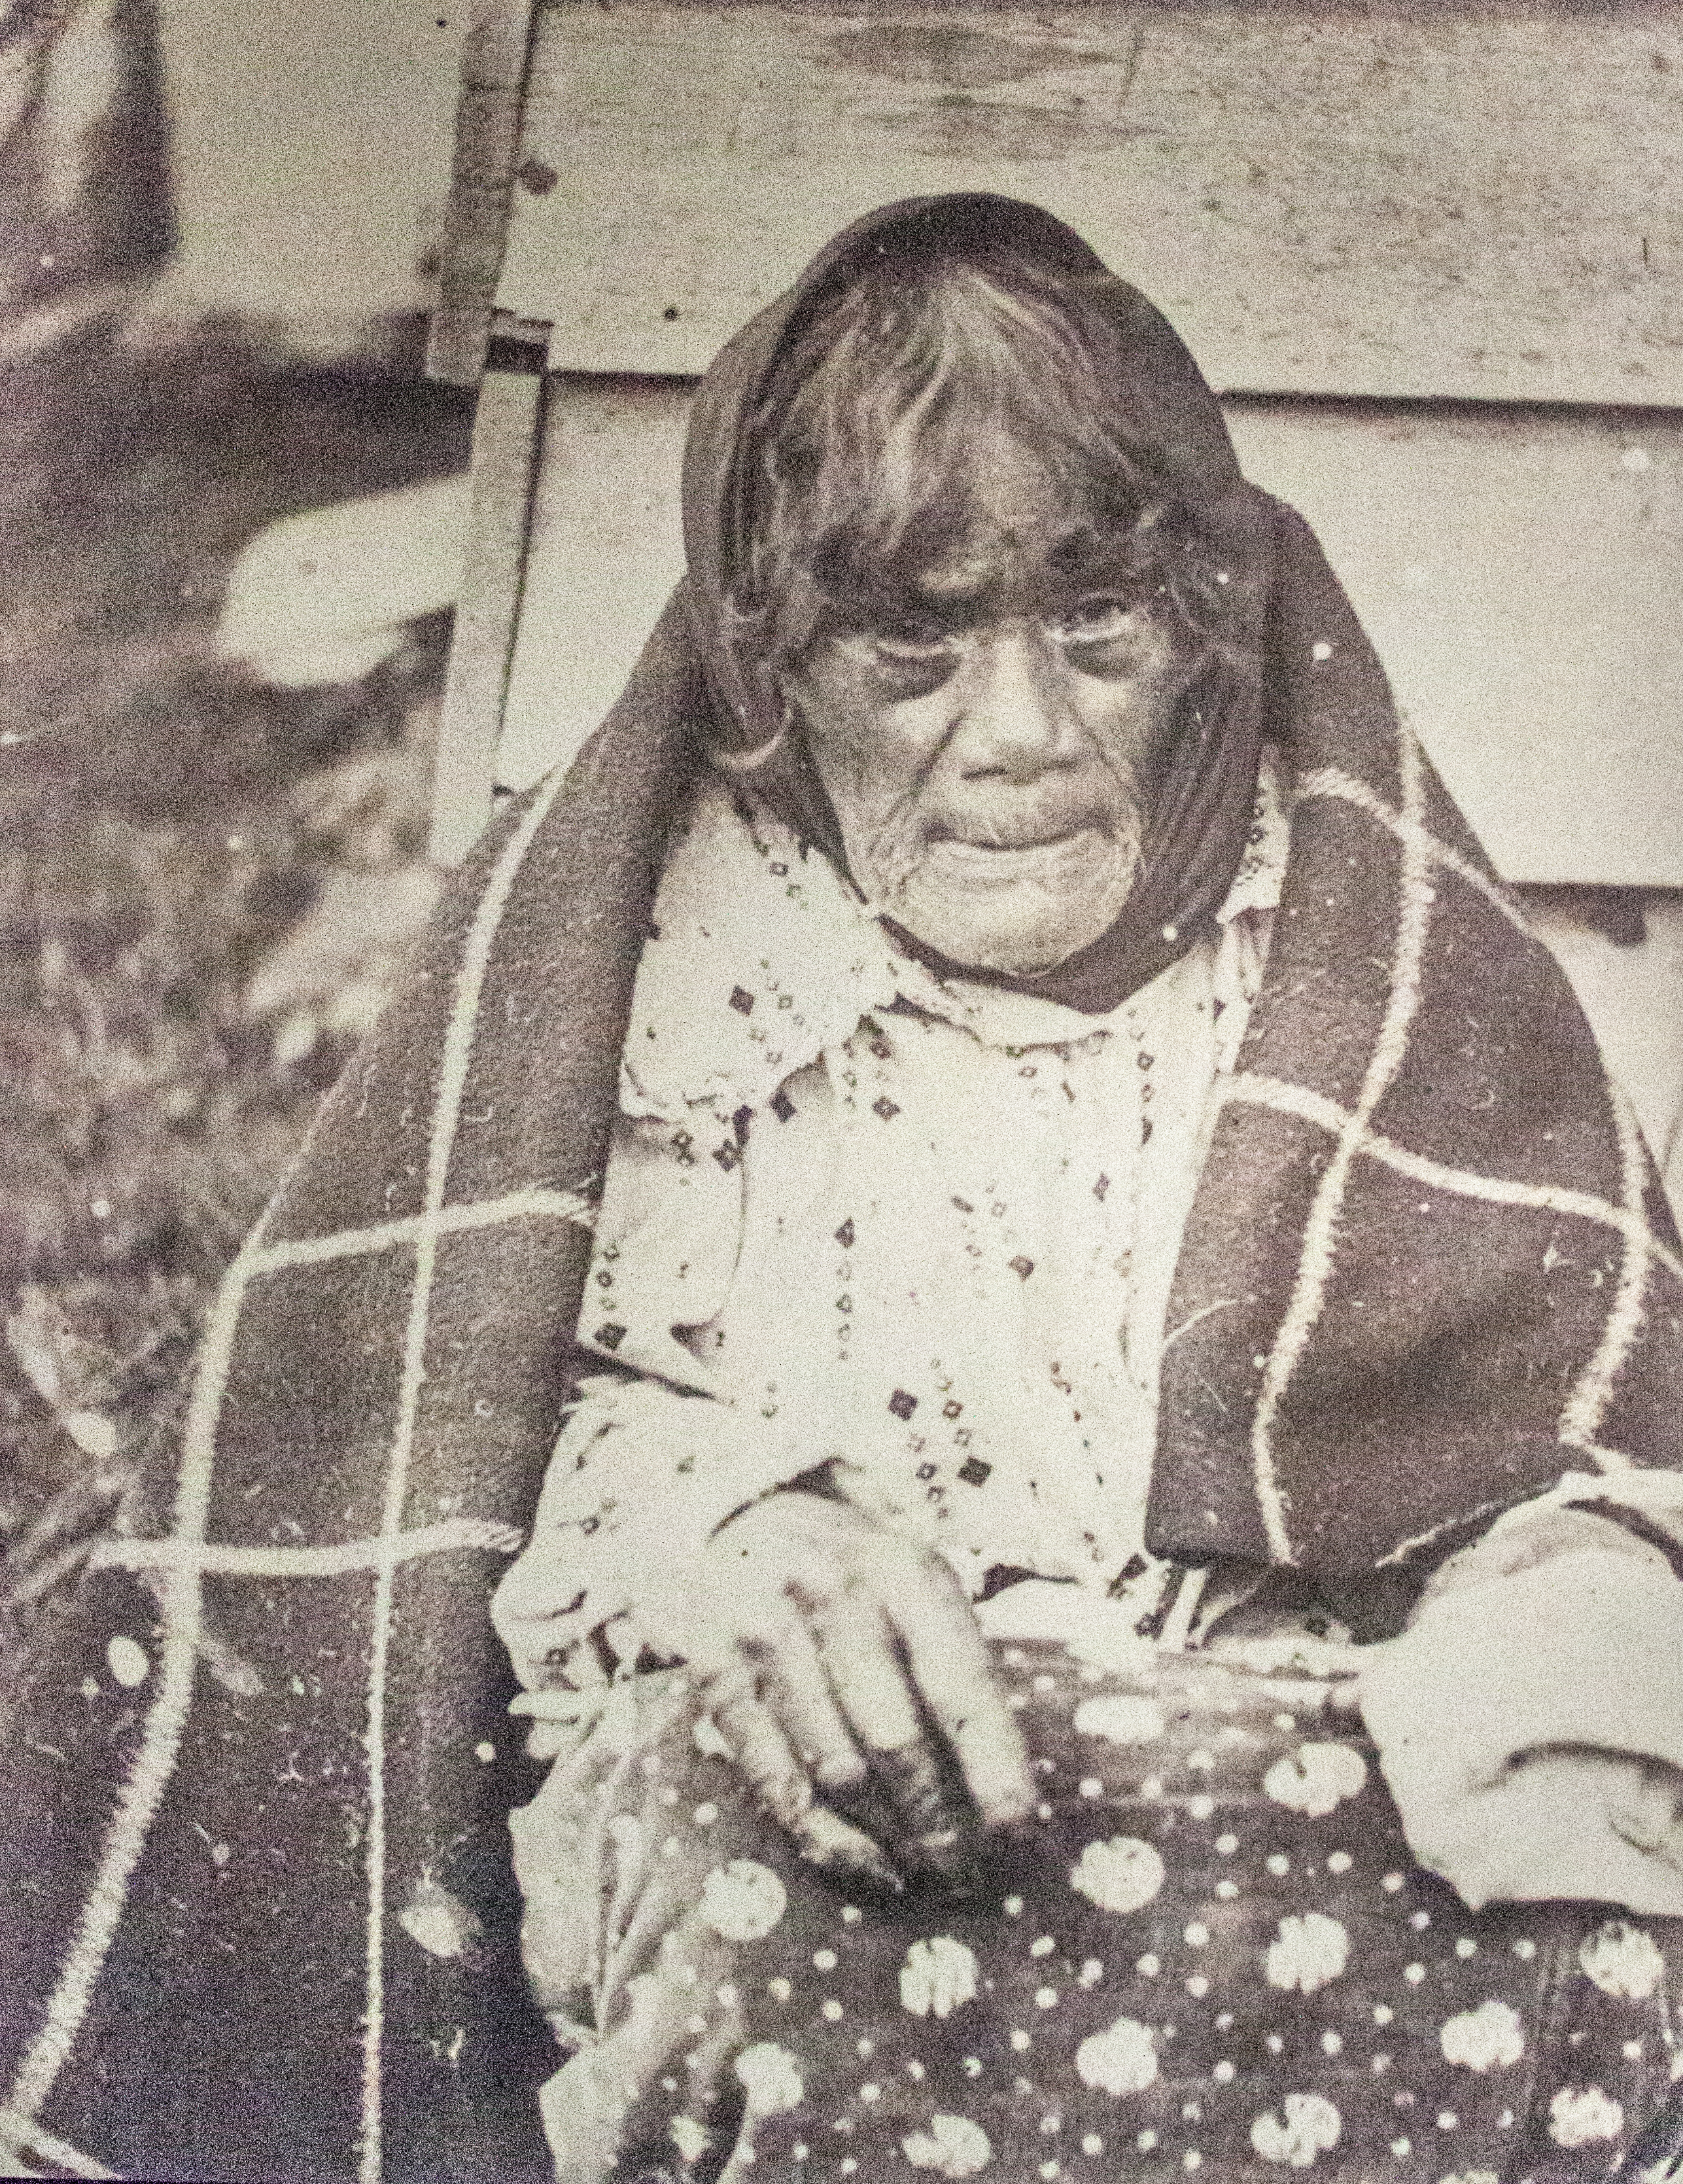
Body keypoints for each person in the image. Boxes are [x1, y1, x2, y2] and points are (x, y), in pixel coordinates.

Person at [4, 193, 1683, 2184]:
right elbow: (444, 1452)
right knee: (756, 1898)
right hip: (806, 1852)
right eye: (912, 652)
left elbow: (1571, 1435)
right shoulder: (665, 987)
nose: (1021, 737)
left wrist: (1553, 1609)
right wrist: (734, 1535)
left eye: (1099, 638)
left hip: (1283, 1867)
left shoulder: (1356, 967)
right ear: (771, 675)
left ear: (1212, 644)